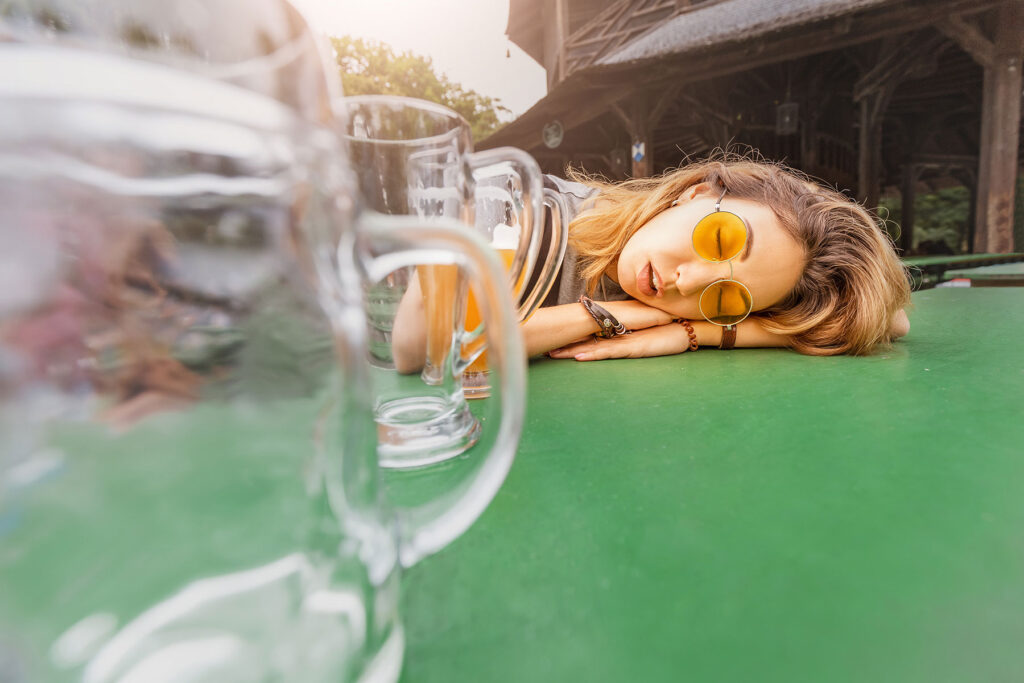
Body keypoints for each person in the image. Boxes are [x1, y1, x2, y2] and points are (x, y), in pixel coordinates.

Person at [393, 156, 911, 372]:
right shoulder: (520, 214)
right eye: (720, 238)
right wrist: (601, 317)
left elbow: (889, 318)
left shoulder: (691, 311)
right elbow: (416, 346)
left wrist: (694, 332)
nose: (691, 281)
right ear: (695, 191)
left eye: (728, 299)